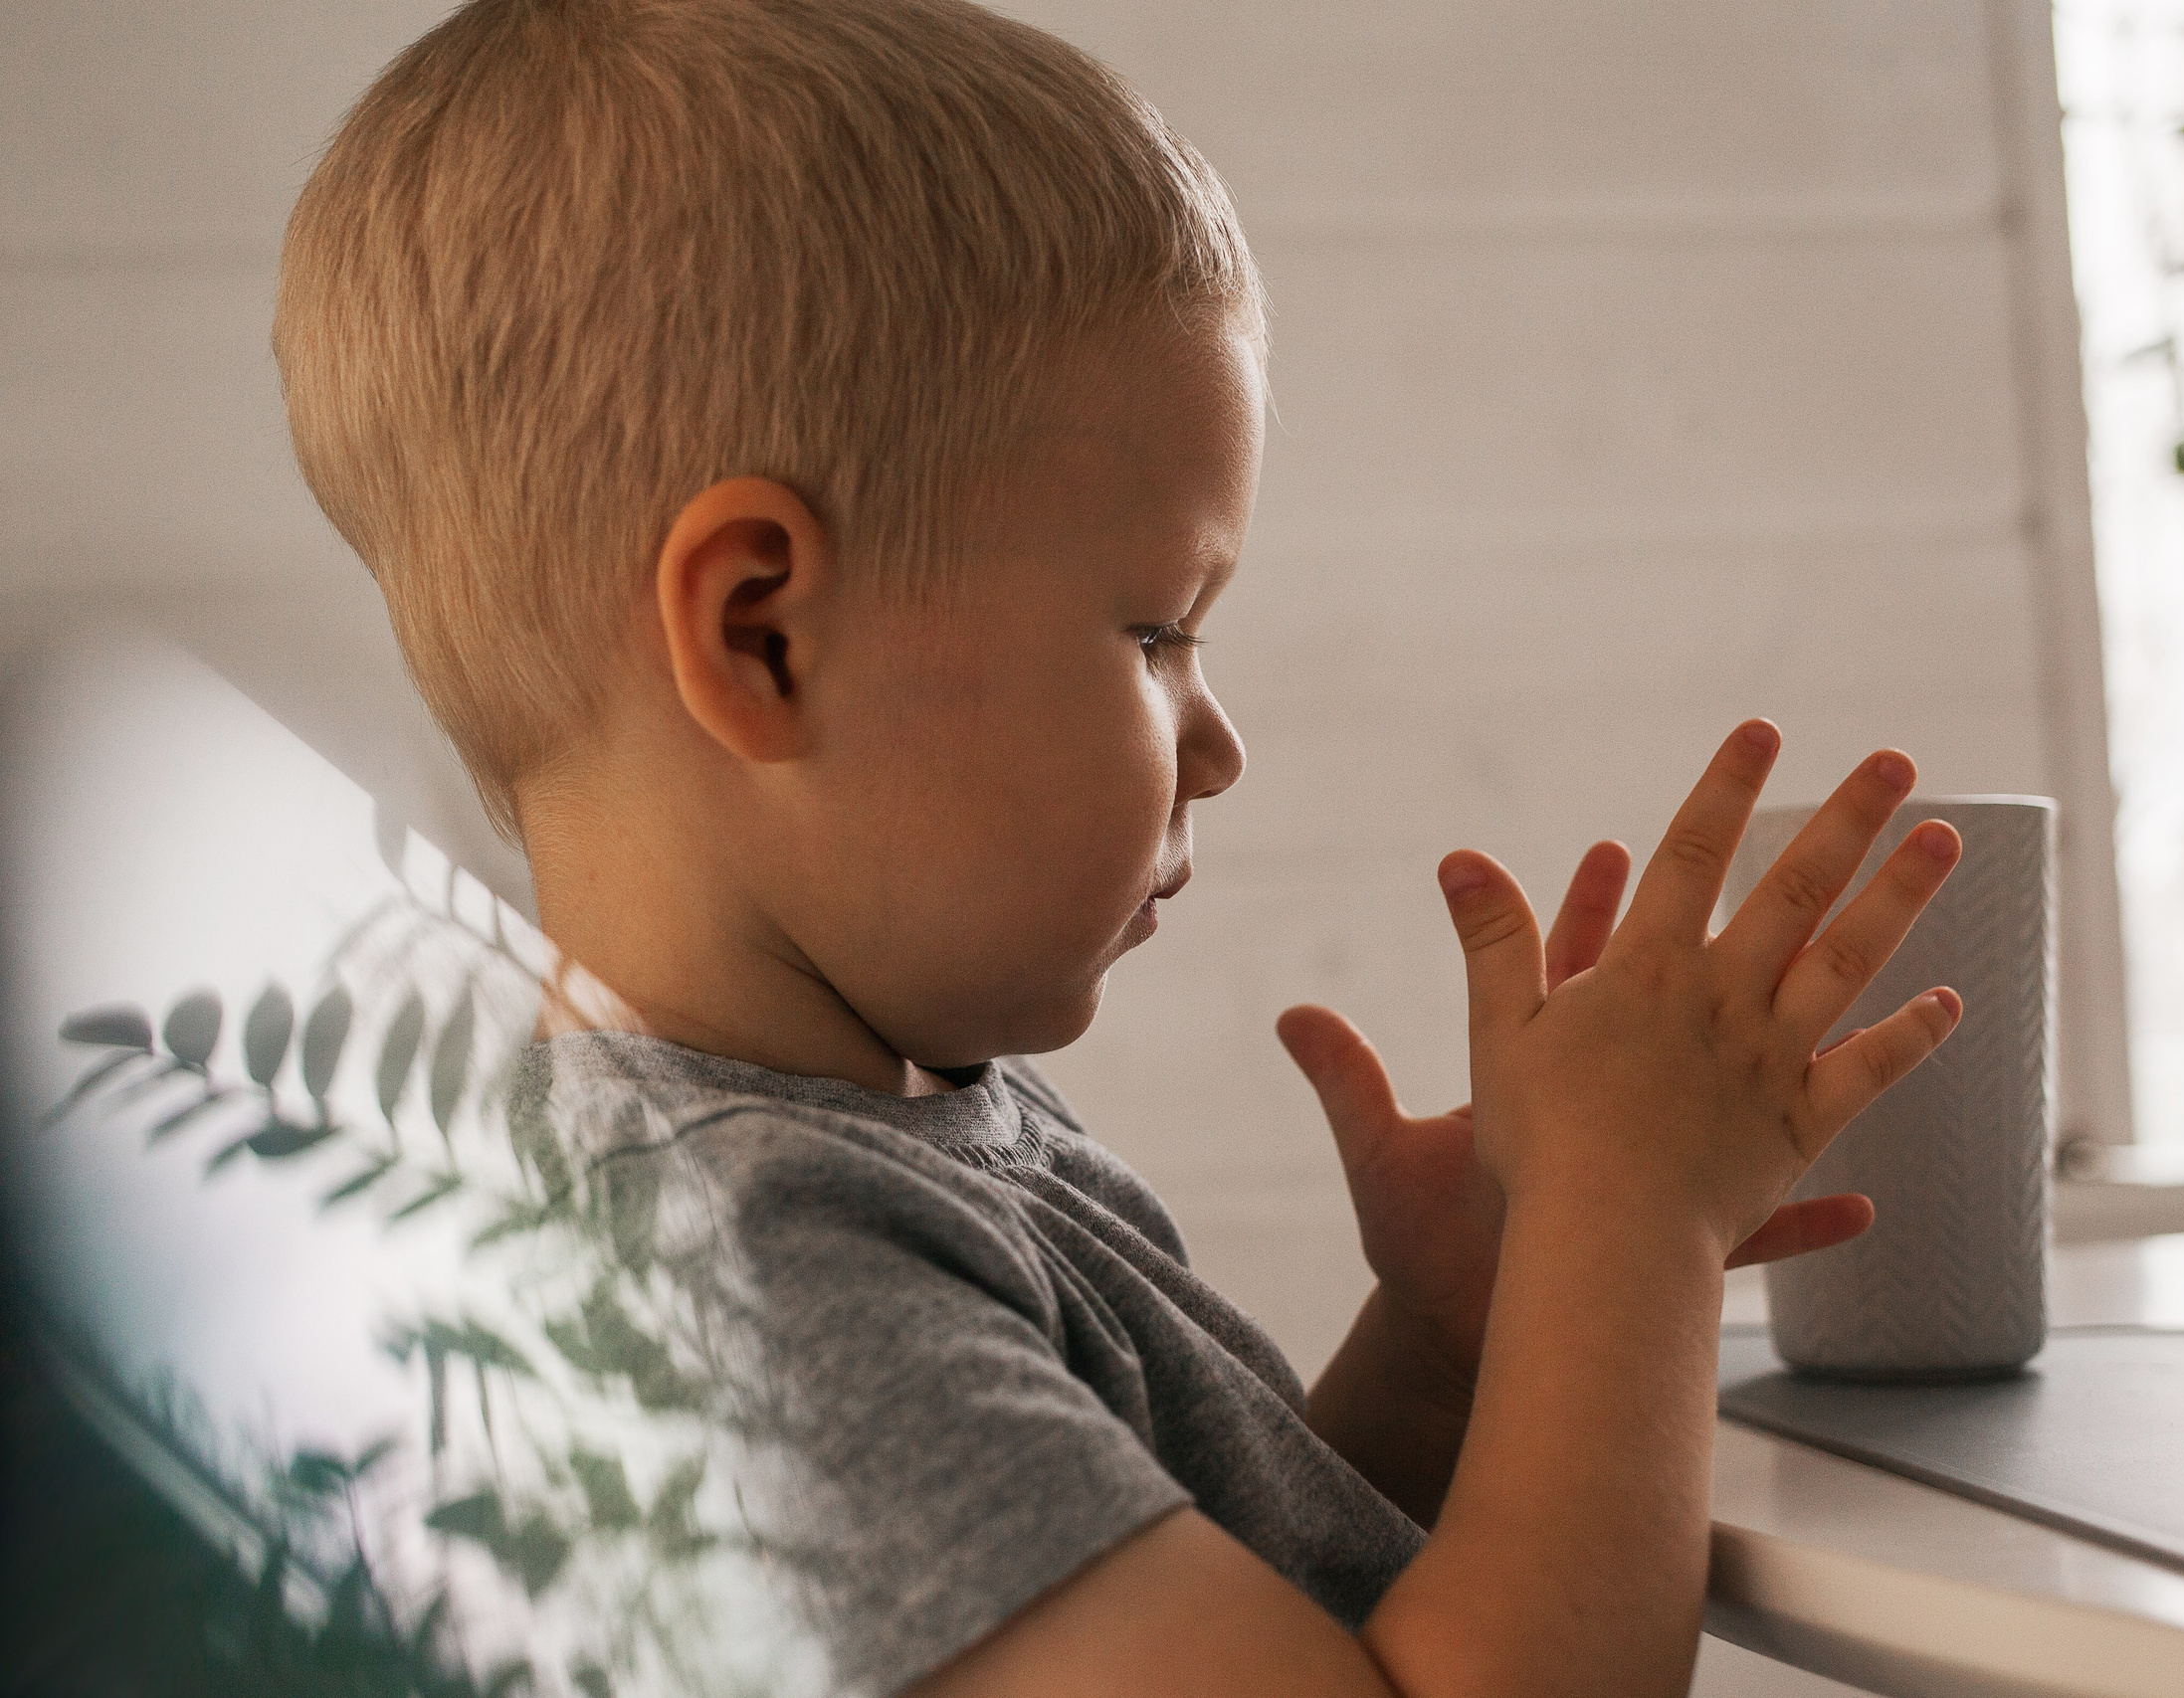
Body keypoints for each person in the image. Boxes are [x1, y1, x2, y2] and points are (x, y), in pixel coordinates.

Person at [271, 1, 1964, 1692]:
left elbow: (1240, 1617)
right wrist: (1630, 1221)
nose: (1216, 742)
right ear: (765, 631)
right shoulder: (744, 1273)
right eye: (1159, 630)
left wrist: (1453, 1341)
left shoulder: (881, 1137)